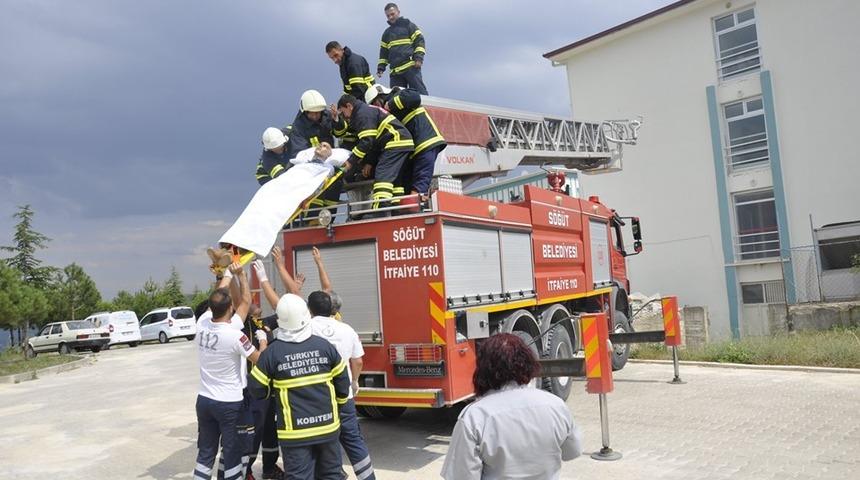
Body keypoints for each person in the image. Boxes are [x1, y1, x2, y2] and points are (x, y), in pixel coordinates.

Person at [440, 333, 583, 479]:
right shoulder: (556, 405)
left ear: (483, 369)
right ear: (527, 363)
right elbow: (572, 451)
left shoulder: (474, 417)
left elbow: (461, 476)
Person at [248, 294, 351, 480]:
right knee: (331, 475)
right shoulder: (324, 346)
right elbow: (343, 384)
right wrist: (339, 404)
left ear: (280, 320)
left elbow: (256, 389)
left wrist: (273, 389)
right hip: (328, 428)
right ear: (306, 315)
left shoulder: (272, 353)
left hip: (294, 433)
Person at [193, 263, 268, 480]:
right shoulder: (235, 336)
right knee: (233, 452)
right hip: (229, 403)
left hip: (205, 400)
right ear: (230, 308)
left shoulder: (202, 323)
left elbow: (225, 298)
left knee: (206, 454)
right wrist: (241, 275)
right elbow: (259, 361)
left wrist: (225, 272)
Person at [307, 291, 375, 480]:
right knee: (353, 439)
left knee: (325, 441)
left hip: (318, 396)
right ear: (332, 308)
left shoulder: (306, 329)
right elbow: (358, 361)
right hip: (344, 393)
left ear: (309, 309)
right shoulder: (347, 329)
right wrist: (354, 381)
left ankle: (334, 473)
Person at [366, 84, 445, 204]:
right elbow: (381, 139)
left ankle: (416, 208)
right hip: (412, 150)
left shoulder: (397, 95)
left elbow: (415, 97)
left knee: (420, 183)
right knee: (407, 182)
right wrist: (370, 162)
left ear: (381, 97)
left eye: (376, 104)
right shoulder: (385, 115)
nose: (377, 108)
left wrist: (390, 104)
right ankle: (406, 210)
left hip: (425, 143)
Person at [337, 94, 414, 212]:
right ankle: (396, 207)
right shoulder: (366, 110)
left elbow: (367, 141)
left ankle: (380, 210)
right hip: (400, 142)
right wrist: (369, 162)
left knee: (382, 175)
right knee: (395, 179)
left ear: (349, 106)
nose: (344, 117)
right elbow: (374, 143)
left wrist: (350, 161)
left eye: (343, 113)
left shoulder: (362, 114)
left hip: (395, 142)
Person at [287, 90, 347, 219]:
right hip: (311, 167)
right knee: (315, 191)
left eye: (318, 112)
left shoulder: (326, 115)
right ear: (305, 112)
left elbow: (340, 133)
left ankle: (329, 217)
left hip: (329, 160)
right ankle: (313, 219)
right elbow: (299, 153)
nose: (316, 116)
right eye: (312, 113)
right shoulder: (298, 127)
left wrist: (337, 119)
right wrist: (316, 158)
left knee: (335, 184)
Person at [242, 296, 284, 480]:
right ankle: (247, 470)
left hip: (270, 387)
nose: (255, 301)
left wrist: (295, 289)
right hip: (253, 389)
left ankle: (269, 467)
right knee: (254, 431)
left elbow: (283, 312)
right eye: (250, 302)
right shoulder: (244, 327)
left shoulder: (264, 323)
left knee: (270, 430)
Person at [377, 3, 428, 95]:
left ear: (398, 12)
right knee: (396, 98)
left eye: (392, 14)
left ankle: (426, 109)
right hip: (395, 73)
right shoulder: (386, 33)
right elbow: (383, 52)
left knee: (420, 94)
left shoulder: (409, 25)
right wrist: (381, 68)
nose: (391, 17)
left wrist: (419, 58)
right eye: (388, 16)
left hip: (410, 67)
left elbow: (420, 41)